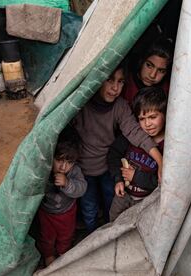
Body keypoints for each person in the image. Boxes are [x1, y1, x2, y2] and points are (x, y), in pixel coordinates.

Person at [70, 62, 163, 232]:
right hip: (83, 169)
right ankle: (91, 237)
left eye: (120, 82)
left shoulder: (120, 106)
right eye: (110, 80)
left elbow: (134, 132)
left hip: (108, 168)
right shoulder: (80, 104)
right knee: (89, 208)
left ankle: (106, 235)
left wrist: (160, 160)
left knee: (110, 204)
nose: (115, 88)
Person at [108, 86, 166, 221]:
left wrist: (136, 177)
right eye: (142, 118)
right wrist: (118, 180)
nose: (147, 124)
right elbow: (113, 155)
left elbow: (162, 183)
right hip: (123, 195)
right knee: (113, 221)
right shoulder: (133, 136)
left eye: (153, 117)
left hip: (145, 202)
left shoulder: (168, 147)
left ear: (165, 114)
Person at [36, 135, 87, 267]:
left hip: (66, 212)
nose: (63, 167)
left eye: (69, 162)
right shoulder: (44, 170)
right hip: (46, 213)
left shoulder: (74, 171)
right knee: (46, 236)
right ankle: (49, 255)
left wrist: (67, 183)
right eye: (59, 160)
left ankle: (63, 252)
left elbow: (82, 189)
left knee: (66, 235)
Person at [122, 36, 174, 106]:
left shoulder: (169, 91)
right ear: (141, 61)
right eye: (149, 65)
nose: (152, 75)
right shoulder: (125, 82)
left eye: (161, 71)